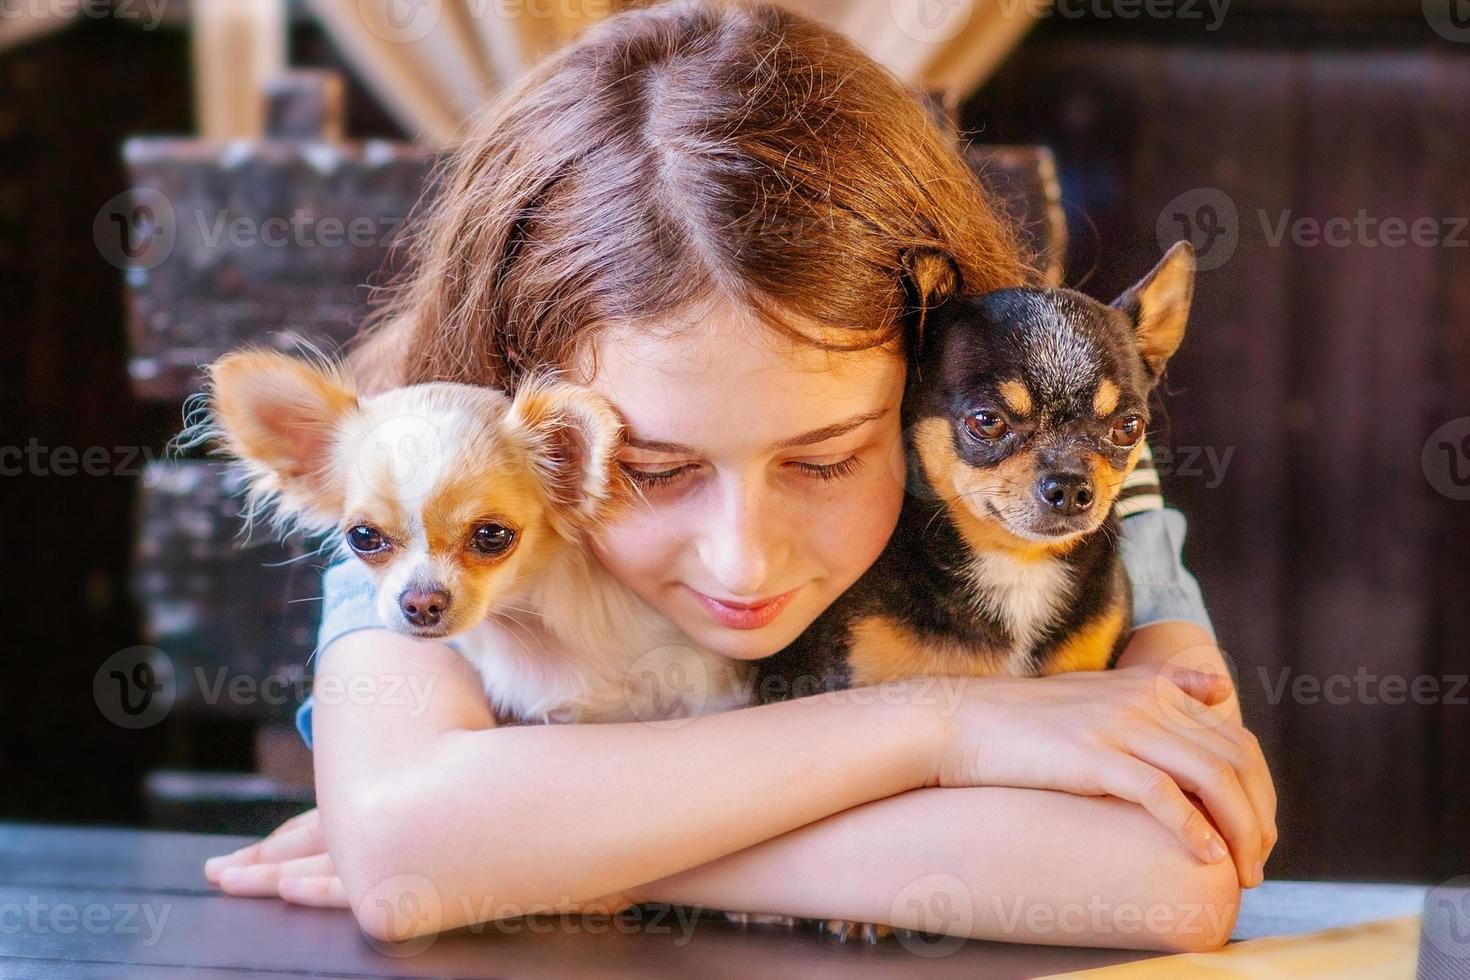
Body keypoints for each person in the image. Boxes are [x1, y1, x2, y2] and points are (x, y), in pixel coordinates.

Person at [203, 0, 1275, 951]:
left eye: (826, 457)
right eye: (656, 469)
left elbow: (1167, 873)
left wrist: (543, 851)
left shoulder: (1034, 474)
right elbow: (409, 854)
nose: (743, 552)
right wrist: (946, 725)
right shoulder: (439, 466)